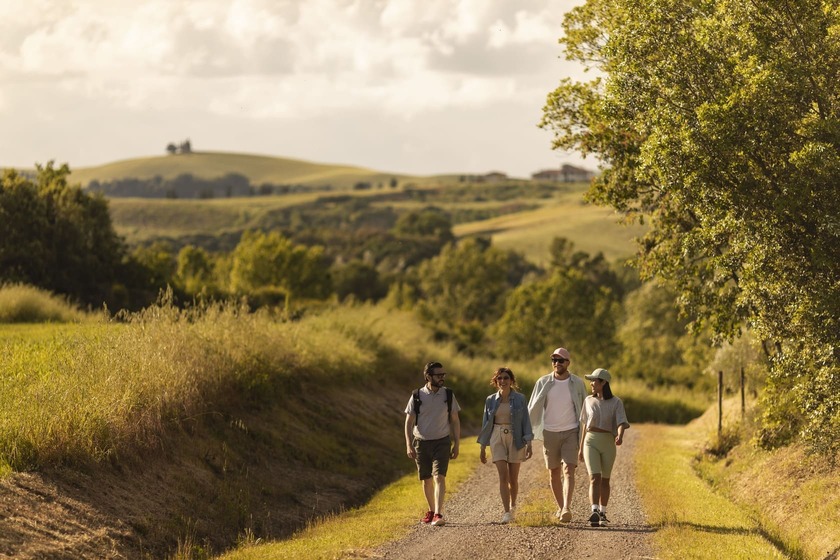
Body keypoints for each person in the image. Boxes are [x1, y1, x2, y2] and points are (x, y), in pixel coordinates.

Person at [527, 347, 588, 522]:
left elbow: (585, 409)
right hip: (549, 432)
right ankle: (561, 508)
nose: (556, 363)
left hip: (571, 431)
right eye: (554, 360)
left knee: (569, 470)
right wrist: (527, 434)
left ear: (568, 363)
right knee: (553, 472)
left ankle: (567, 507)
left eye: (560, 360)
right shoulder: (543, 382)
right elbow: (531, 408)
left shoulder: (577, 383)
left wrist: (585, 436)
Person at [405, 361, 461, 527]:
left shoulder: (448, 395)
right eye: (438, 375)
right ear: (428, 376)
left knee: (439, 476)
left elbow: (455, 420)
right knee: (426, 479)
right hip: (421, 442)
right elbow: (408, 422)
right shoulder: (417, 395)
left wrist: (457, 444)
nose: (442, 378)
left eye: (443, 375)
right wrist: (408, 444)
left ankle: (438, 513)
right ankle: (431, 511)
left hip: (442, 441)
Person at [476, 367, 534, 523]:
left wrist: (529, 442)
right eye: (499, 378)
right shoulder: (490, 400)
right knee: (503, 475)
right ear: (496, 381)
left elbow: (525, 421)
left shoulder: (520, 399)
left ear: (511, 380)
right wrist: (482, 447)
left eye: (506, 378)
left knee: (513, 479)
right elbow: (486, 423)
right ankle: (506, 511)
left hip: (516, 437)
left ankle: (513, 506)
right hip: (497, 436)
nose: (503, 381)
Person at [578, 368, 630, 527]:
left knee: (605, 480)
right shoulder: (588, 400)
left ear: (603, 382)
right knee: (594, 477)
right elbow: (585, 425)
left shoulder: (616, 402)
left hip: (608, 442)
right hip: (590, 441)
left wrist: (620, 436)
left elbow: (621, 422)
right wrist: (580, 448)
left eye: (594, 380)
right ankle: (594, 510)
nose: (591, 383)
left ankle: (602, 513)